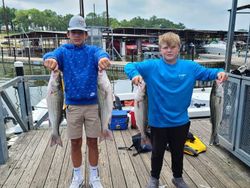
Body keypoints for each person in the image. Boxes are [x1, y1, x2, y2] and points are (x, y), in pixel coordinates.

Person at [124, 32, 228, 188]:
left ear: (179, 48)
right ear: (160, 49)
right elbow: (129, 66)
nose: (169, 50)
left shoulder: (190, 67)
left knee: (178, 152)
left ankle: (177, 177)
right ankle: (154, 178)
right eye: (165, 47)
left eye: (173, 47)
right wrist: (134, 75)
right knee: (157, 153)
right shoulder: (151, 66)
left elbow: (210, 73)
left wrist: (220, 72)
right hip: (158, 121)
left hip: (181, 121)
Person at [43, 15, 110, 188]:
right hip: (72, 106)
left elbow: (101, 53)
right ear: (68, 34)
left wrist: (103, 59)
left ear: (86, 35)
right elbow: (51, 55)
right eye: (74, 32)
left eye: (80, 32)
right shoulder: (63, 51)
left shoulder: (92, 51)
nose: (77, 35)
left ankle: (94, 176)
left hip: (93, 105)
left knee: (93, 142)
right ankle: (77, 176)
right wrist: (49, 59)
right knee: (75, 142)